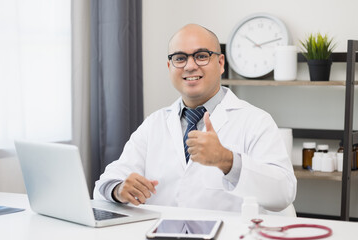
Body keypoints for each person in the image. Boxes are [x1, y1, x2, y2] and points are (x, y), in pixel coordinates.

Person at [94, 24, 297, 213]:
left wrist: (227, 160)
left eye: (201, 56)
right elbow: (108, 181)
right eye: (180, 58)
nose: (190, 66)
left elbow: (283, 193)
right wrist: (119, 190)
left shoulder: (256, 121)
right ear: (169, 67)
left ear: (220, 63)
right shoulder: (154, 124)